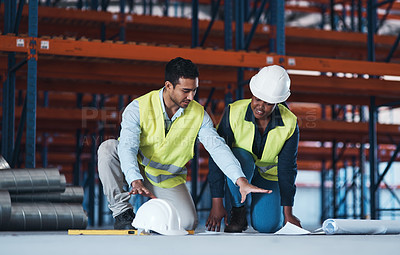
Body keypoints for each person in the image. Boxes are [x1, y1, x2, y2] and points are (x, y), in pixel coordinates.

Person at [98, 57, 270, 230]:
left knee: (186, 223)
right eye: (186, 91)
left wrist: (240, 180)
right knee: (108, 148)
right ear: (168, 86)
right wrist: (135, 179)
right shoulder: (138, 108)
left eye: (194, 90)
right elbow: (128, 146)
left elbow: (217, 147)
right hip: (137, 169)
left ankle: (151, 217)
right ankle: (123, 214)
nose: (191, 97)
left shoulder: (198, 114)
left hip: (167, 179)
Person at [205, 65, 302, 233]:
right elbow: (217, 156)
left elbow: (288, 169)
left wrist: (288, 213)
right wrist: (217, 204)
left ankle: (264, 213)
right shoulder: (234, 112)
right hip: (241, 171)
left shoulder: (290, 123)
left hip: (268, 178)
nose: (260, 106)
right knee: (240, 157)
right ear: (252, 93)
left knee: (268, 226)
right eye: (257, 99)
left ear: (277, 102)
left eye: (268, 103)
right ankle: (238, 211)